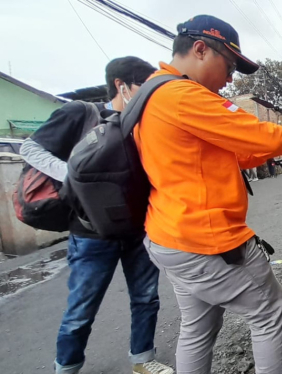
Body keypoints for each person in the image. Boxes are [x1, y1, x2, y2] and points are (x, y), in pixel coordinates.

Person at [133, 15, 282, 374]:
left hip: (168, 237)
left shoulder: (150, 96)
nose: (231, 78)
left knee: (198, 327)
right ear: (201, 49)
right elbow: (254, 133)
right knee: (269, 312)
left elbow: (234, 152)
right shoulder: (181, 95)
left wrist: (276, 148)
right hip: (207, 241)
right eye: (229, 65)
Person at [20, 57, 173, 374]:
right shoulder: (81, 113)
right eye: (145, 87)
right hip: (90, 233)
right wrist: (74, 176)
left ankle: (142, 361)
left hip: (138, 229)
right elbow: (30, 149)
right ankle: (67, 367)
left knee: (146, 299)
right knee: (81, 309)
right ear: (122, 86)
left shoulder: (144, 123)